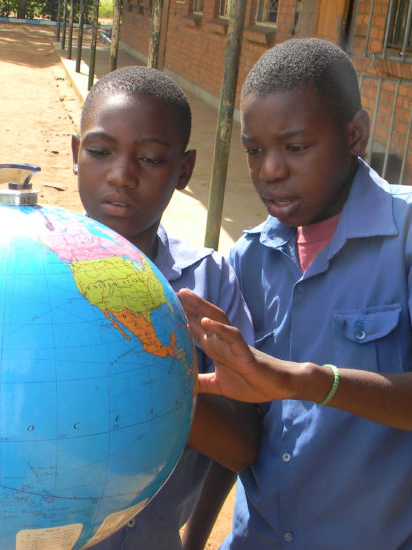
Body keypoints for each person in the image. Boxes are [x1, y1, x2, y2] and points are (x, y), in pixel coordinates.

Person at [177, 38, 412, 549]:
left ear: (354, 135)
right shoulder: (248, 260)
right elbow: (245, 432)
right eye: (255, 150)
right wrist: (195, 539)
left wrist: (308, 381)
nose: (269, 169)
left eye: (295, 147)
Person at [70, 65, 259, 550]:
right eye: (99, 151)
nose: (121, 175)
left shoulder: (208, 283)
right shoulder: (24, 268)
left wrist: (148, 381)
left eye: (151, 158)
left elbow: (240, 447)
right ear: (75, 154)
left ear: (185, 171)